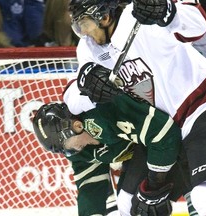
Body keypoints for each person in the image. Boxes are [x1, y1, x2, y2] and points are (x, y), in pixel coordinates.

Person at [64, 0, 206, 215]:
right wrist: (87, 85)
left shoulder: (140, 14)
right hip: (164, 129)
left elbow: (198, 26)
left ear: (104, 17)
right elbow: (72, 96)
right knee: (128, 204)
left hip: (205, 109)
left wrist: (169, 11)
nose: (84, 33)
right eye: (79, 27)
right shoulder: (89, 47)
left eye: (85, 24)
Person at [32, 65, 183, 216]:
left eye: (77, 145)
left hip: (173, 133)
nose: (79, 149)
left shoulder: (102, 113)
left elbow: (160, 132)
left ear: (77, 126)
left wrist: (154, 182)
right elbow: (90, 186)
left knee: (132, 202)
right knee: (131, 205)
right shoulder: (79, 150)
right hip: (156, 147)